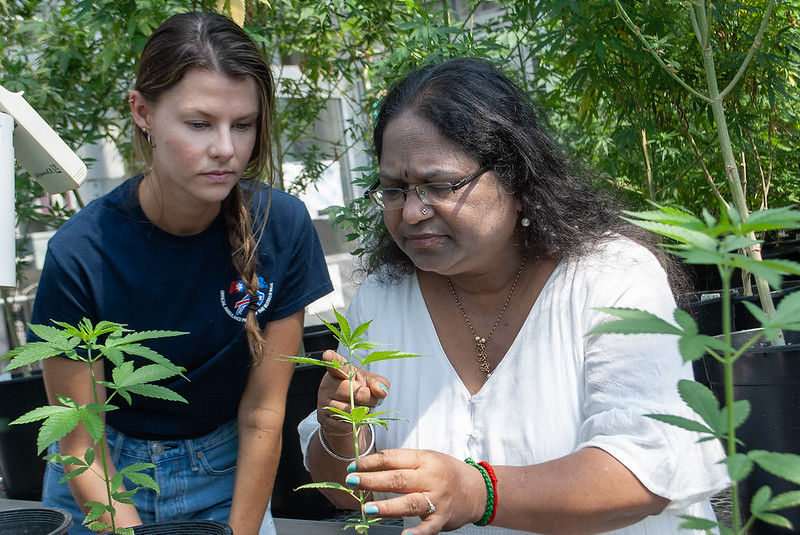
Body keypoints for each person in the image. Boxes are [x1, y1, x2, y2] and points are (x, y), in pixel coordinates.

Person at [298, 57, 728, 534]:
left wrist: (477, 492)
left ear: (517, 179)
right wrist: (338, 431)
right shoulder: (383, 299)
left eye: (440, 185)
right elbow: (342, 491)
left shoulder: (610, 279)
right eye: (394, 190)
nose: (413, 211)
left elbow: (647, 473)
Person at [30, 11, 333, 535]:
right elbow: (80, 438)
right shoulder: (81, 252)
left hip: (225, 476)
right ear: (142, 111)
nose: (226, 149)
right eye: (199, 124)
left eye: (243, 125)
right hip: (100, 479)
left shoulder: (280, 228)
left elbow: (264, 412)